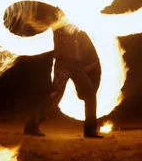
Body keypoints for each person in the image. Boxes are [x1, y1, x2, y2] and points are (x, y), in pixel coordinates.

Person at [23, 10, 104, 138]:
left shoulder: (73, 23)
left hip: (76, 65)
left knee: (89, 93)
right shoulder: (58, 23)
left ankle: (90, 130)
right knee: (55, 94)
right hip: (63, 64)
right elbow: (47, 24)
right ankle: (32, 125)